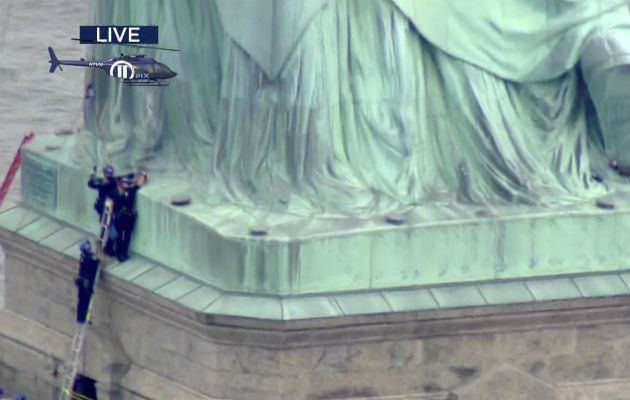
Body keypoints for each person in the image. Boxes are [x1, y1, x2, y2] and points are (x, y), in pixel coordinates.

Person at [112, 171, 147, 262]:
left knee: (127, 237)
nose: (126, 185)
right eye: (125, 183)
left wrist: (142, 175)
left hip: (128, 217)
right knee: (119, 237)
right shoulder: (117, 192)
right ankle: (118, 253)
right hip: (120, 217)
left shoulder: (132, 191)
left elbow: (140, 184)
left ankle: (124, 253)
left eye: (127, 183)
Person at [75, 239, 99, 324]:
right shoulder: (87, 259)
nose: (90, 249)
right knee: (85, 301)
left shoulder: (84, 258)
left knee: (83, 302)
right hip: (86, 284)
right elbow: (94, 264)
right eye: (88, 248)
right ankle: (84, 318)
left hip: (84, 283)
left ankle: (82, 318)